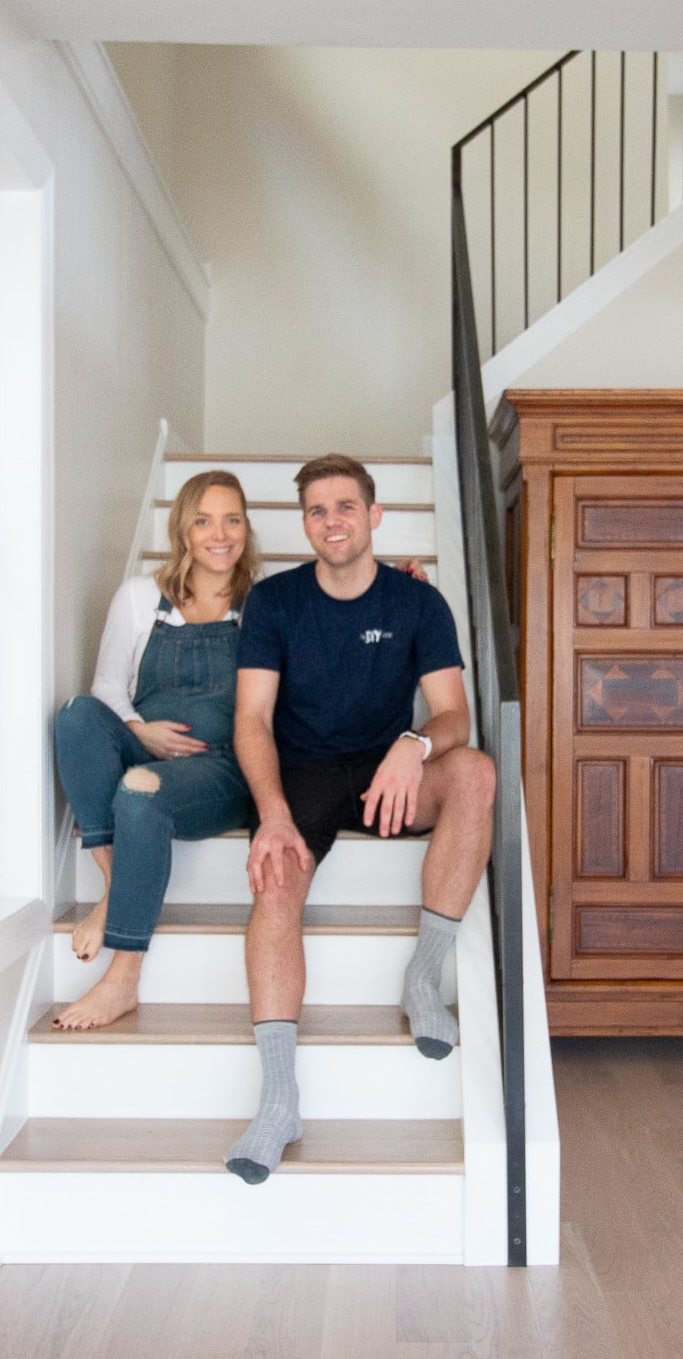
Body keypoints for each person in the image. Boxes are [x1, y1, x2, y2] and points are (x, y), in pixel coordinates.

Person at [225, 454, 495, 1183]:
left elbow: (456, 715)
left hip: (386, 773)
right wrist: (273, 813)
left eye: (346, 506)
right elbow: (250, 718)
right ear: (305, 523)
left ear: (375, 515)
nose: (331, 520)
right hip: (304, 772)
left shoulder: (417, 604)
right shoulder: (275, 603)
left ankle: (423, 979)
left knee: (474, 772)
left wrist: (414, 744)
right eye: (317, 510)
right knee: (275, 878)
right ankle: (279, 1099)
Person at [49, 471, 261, 1030]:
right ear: (183, 530)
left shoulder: (264, 606)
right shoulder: (141, 598)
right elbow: (107, 690)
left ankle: (122, 980)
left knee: (139, 795)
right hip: (145, 749)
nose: (221, 533)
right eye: (204, 519)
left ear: (246, 528)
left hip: (220, 770)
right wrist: (140, 731)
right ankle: (120, 883)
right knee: (75, 718)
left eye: (233, 519)